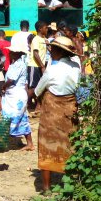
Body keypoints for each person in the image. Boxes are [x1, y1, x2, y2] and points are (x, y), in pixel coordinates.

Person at [35, 36, 81, 192]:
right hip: (70, 110)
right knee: (70, 144)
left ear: (59, 52)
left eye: (52, 49)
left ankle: (47, 188)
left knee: (47, 146)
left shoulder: (52, 69)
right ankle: (72, 185)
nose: (50, 51)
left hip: (51, 114)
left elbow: (38, 90)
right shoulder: (76, 67)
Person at [1, 39, 34, 151]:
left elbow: (11, 79)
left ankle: (7, 141)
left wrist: (3, 86)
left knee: (14, 117)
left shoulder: (19, 64)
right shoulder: (14, 63)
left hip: (16, 96)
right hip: (13, 95)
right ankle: (28, 143)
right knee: (20, 118)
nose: (9, 53)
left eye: (11, 52)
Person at [28, 21, 48, 113]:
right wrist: (42, 66)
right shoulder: (36, 39)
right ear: (40, 29)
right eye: (45, 27)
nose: (47, 29)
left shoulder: (43, 40)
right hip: (34, 66)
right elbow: (35, 54)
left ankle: (38, 107)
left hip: (40, 66)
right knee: (32, 88)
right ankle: (24, 105)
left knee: (40, 87)